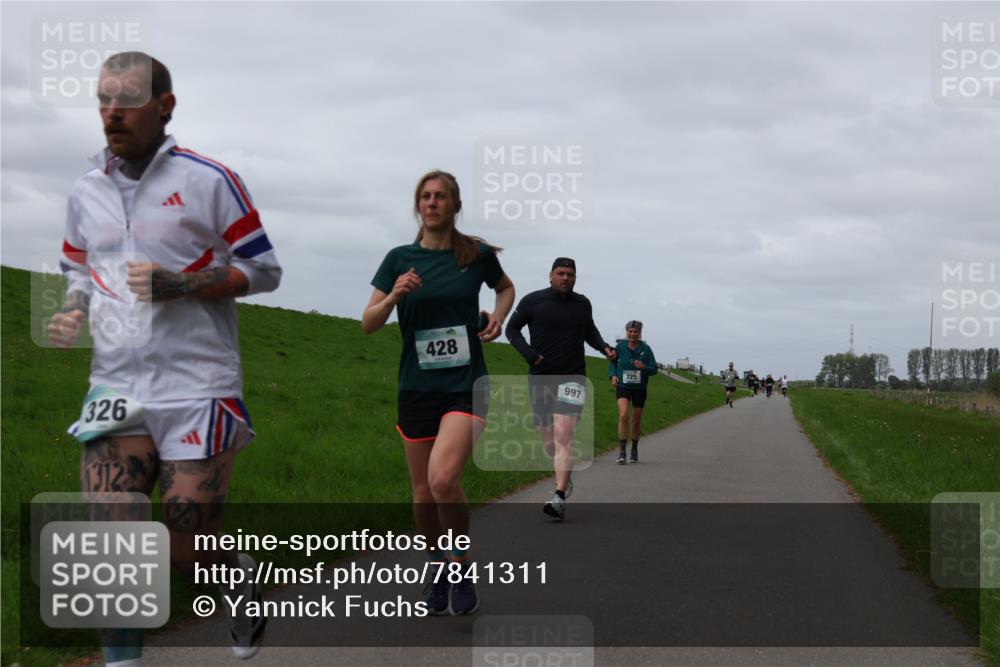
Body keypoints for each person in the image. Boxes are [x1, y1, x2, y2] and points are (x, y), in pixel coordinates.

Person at [47, 52, 281, 666]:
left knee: (187, 546)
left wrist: (181, 283)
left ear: (165, 106)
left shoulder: (209, 180)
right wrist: (72, 306)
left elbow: (265, 270)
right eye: (103, 99)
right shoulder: (84, 190)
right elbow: (77, 268)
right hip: (115, 385)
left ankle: (239, 584)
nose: (112, 112)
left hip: (197, 382)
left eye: (126, 99)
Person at [363, 170, 514, 616]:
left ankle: (461, 564)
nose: (432, 203)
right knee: (422, 492)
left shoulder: (475, 255)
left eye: (441, 196)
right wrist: (393, 296)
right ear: (418, 205)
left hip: (466, 385)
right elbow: (368, 323)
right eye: (425, 197)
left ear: (455, 205)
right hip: (416, 387)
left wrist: (498, 318)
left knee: (443, 479)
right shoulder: (398, 259)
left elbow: (505, 288)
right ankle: (437, 564)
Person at [505, 258, 616, 520]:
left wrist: (604, 348)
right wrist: (530, 355)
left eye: (571, 274)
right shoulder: (533, 301)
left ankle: (559, 494)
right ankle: (563, 475)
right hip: (541, 377)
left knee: (563, 435)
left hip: (573, 377)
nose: (566, 278)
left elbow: (590, 331)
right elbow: (511, 329)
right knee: (549, 442)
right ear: (551, 276)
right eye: (561, 273)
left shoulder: (582, 303)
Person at [609, 321, 658, 464]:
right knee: (623, 415)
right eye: (630, 331)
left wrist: (644, 367)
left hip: (640, 388)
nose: (632, 334)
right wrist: (613, 375)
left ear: (640, 333)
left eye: (635, 332)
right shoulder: (620, 347)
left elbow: (654, 369)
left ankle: (634, 450)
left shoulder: (646, 349)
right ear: (627, 332)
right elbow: (612, 361)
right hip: (623, 386)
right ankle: (622, 451)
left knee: (636, 421)